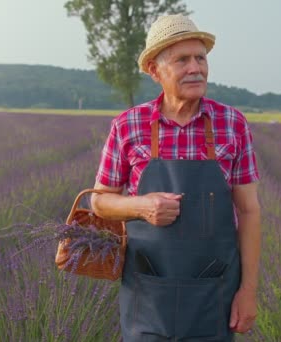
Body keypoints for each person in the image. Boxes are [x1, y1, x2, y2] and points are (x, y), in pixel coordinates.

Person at [90, 14, 261, 341]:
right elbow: (99, 201)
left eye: (200, 58)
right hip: (148, 294)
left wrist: (248, 291)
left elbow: (250, 211)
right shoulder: (128, 126)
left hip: (215, 294)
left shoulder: (232, 124)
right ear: (155, 70)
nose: (195, 68)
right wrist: (141, 206)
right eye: (182, 60)